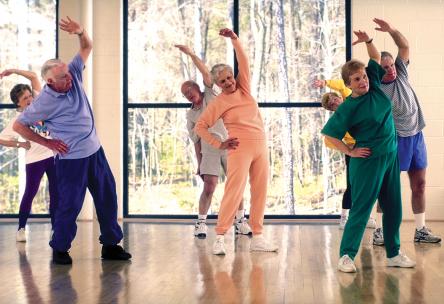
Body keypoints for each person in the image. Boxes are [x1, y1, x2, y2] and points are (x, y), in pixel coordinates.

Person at [12, 17, 131, 265]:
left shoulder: (73, 74)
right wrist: (48, 144)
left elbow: (87, 47)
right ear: (49, 82)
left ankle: (111, 245)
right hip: (70, 160)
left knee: (107, 198)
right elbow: (18, 125)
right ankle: (60, 249)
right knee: (69, 206)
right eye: (63, 78)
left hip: (95, 152)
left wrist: (80, 32)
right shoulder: (43, 102)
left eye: (68, 74)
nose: (70, 79)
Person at [321, 29, 415, 273]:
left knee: (394, 207)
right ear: (347, 84)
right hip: (367, 160)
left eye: (363, 76)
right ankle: (346, 256)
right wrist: (350, 151)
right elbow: (330, 135)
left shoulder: (374, 88)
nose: (363, 81)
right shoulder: (348, 107)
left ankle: (393, 253)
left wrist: (369, 41)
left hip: (390, 156)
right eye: (356, 80)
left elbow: (374, 58)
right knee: (362, 209)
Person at [194, 28, 278, 255]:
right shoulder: (219, 103)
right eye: (223, 81)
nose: (229, 82)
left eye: (230, 77)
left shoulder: (245, 88)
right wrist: (220, 144)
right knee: (234, 191)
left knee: (260, 190)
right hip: (239, 149)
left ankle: (258, 236)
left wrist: (234, 40)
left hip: (260, 145)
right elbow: (200, 126)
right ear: (218, 85)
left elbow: (244, 62)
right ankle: (220, 236)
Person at [371, 18, 441, 245]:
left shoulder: (400, 72)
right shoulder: (377, 88)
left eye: (391, 64)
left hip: (416, 135)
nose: (390, 69)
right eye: (385, 67)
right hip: (395, 139)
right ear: (377, 71)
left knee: (419, 184)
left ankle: (420, 230)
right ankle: (379, 231)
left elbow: (404, 46)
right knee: (387, 187)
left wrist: (391, 30)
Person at [175, 44, 252, 238]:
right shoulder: (191, 114)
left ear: (197, 88)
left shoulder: (211, 93)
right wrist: (200, 164)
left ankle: (240, 221)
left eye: (190, 90)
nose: (189, 95)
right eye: (185, 94)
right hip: (209, 149)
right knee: (209, 186)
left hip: (230, 144)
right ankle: (201, 223)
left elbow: (205, 71)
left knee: (235, 184)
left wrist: (192, 54)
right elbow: (196, 140)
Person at [0, 68, 58, 242]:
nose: (29, 100)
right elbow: (1, 139)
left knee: (55, 193)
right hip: (34, 160)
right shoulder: (17, 121)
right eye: (24, 99)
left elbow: (33, 76)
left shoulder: (39, 103)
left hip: (52, 155)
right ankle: (21, 229)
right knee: (30, 193)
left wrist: (12, 71)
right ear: (18, 104)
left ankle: (55, 228)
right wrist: (21, 144)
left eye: (29, 96)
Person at [314, 79, 376, 230]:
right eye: (332, 105)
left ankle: (366, 217)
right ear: (331, 109)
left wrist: (325, 82)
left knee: (368, 184)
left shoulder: (350, 98)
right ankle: (344, 218)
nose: (335, 104)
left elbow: (342, 85)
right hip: (353, 153)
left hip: (368, 148)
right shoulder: (338, 119)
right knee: (352, 184)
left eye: (335, 100)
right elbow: (328, 140)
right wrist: (349, 149)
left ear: (340, 97)